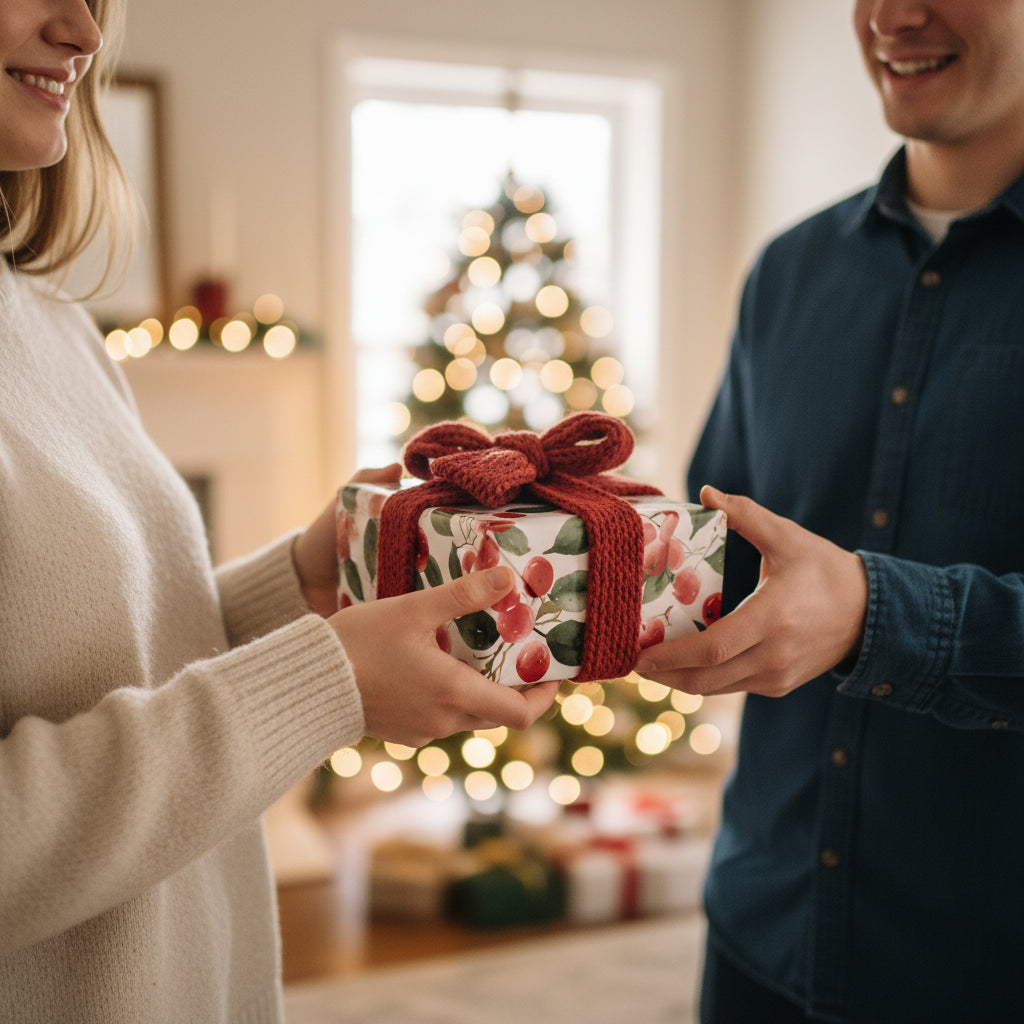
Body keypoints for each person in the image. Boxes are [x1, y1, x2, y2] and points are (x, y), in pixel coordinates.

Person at [0, 1, 558, 1020]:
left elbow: (98, 657)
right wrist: (325, 680)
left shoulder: (48, 321)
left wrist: (298, 583)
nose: (82, 30)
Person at [635, 1, 1024, 1021]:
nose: (894, 14)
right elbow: (718, 554)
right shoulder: (788, 272)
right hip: (764, 933)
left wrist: (875, 613)